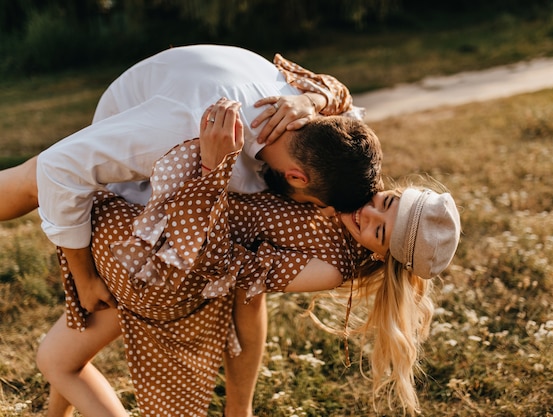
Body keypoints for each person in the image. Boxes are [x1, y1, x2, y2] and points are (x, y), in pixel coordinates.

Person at [0, 45, 381, 417]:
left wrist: (314, 98)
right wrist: (82, 277)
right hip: (147, 168)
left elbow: (345, 106)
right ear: (297, 177)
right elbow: (57, 171)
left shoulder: (306, 119)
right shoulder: (177, 135)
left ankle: (238, 410)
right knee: (34, 179)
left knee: (248, 294)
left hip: (196, 145)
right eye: (312, 203)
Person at [36, 98, 461, 417]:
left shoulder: (331, 267)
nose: (367, 213)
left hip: (166, 271)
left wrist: (214, 169)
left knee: (55, 360)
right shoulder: (348, 182)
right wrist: (305, 105)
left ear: (383, 256)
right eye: (385, 201)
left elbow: (228, 269)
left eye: (379, 230)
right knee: (73, 335)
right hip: (160, 238)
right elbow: (338, 100)